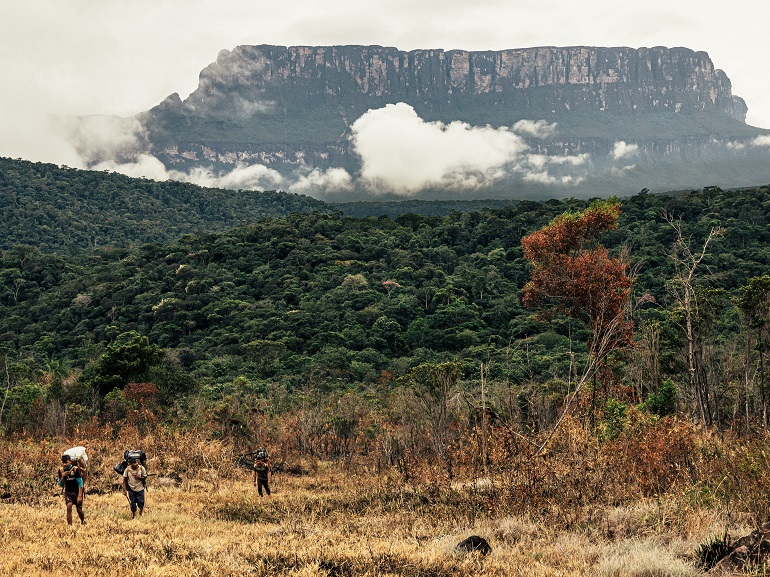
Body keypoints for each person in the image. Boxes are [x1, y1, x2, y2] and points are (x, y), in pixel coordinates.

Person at [57, 454, 85, 525]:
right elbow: (61, 484)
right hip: (68, 492)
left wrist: (80, 495)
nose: (64, 464)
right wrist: (63, 476)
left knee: (79, 510)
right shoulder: (61, 470)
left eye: (66, 462)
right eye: (63, 463)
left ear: (70, 461)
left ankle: (82, 521)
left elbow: (80, 483)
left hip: (77, 491)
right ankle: (70, 526)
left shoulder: (75, 469)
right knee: (69, 506)